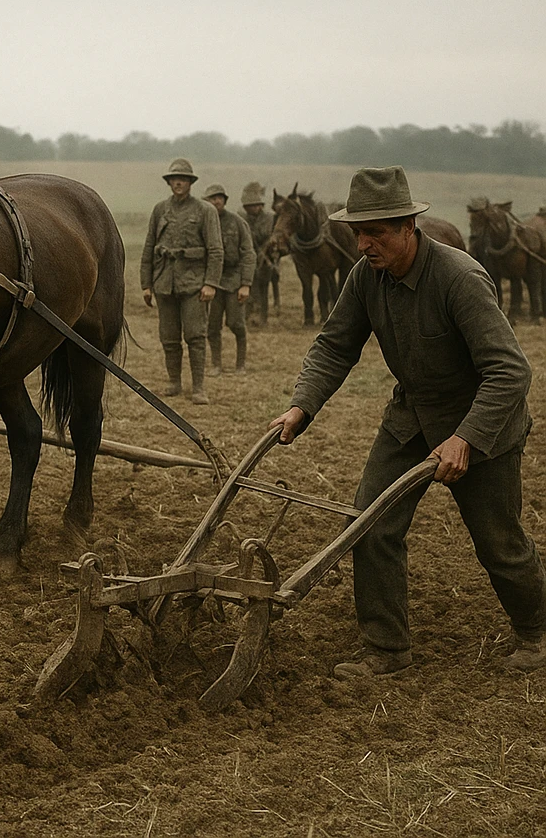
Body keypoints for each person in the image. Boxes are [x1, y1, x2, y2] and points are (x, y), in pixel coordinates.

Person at [270, 166, 546, 678]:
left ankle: (537, 632)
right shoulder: (365, 277)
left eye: (375, 232)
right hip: (411, 415)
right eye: (358, 232)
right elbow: (335, 345)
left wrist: (466, 438)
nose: (364, 244)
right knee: (369, 523)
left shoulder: (459, 278)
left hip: (481, 419)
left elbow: (510, 371)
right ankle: (387, 650)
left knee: (498, 542)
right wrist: (301, 405)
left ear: (408, 227)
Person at [140, 158, 223, 404]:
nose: (178, 183)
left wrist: (210, 284)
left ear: (190, 183)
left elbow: (216, 250)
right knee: (169, 337)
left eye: (183, 179)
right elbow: (148, 248)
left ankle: (198, 388)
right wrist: (146, 284)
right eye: (174, 179)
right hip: (165, 283)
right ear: (169, 182)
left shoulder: (205, 211)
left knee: (196, 336)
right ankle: (174, 381)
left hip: (194, 284)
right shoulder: (160, 210)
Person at [202, 183, 255, 376]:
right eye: (212, 198)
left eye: (219, 197)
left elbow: (249, 254)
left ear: (224, 200)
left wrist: (246, 284)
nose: (216, 201)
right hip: (211, 281)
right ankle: (216, 364)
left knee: (236, 323)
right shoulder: (203, 221)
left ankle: (240, 364)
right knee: (212, 325)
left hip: (234, 281)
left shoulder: (237, 222)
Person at [239, 181, 278, 326]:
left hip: (265, 258)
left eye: (255, 205)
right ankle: (249, 316)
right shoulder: (243, 219)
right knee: (249, 286)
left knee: (263, 287)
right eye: (249, 206)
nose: (252, 208)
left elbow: (271, 237)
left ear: (260, 205)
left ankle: (263, 317)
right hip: (248, 258)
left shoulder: (270, 218)